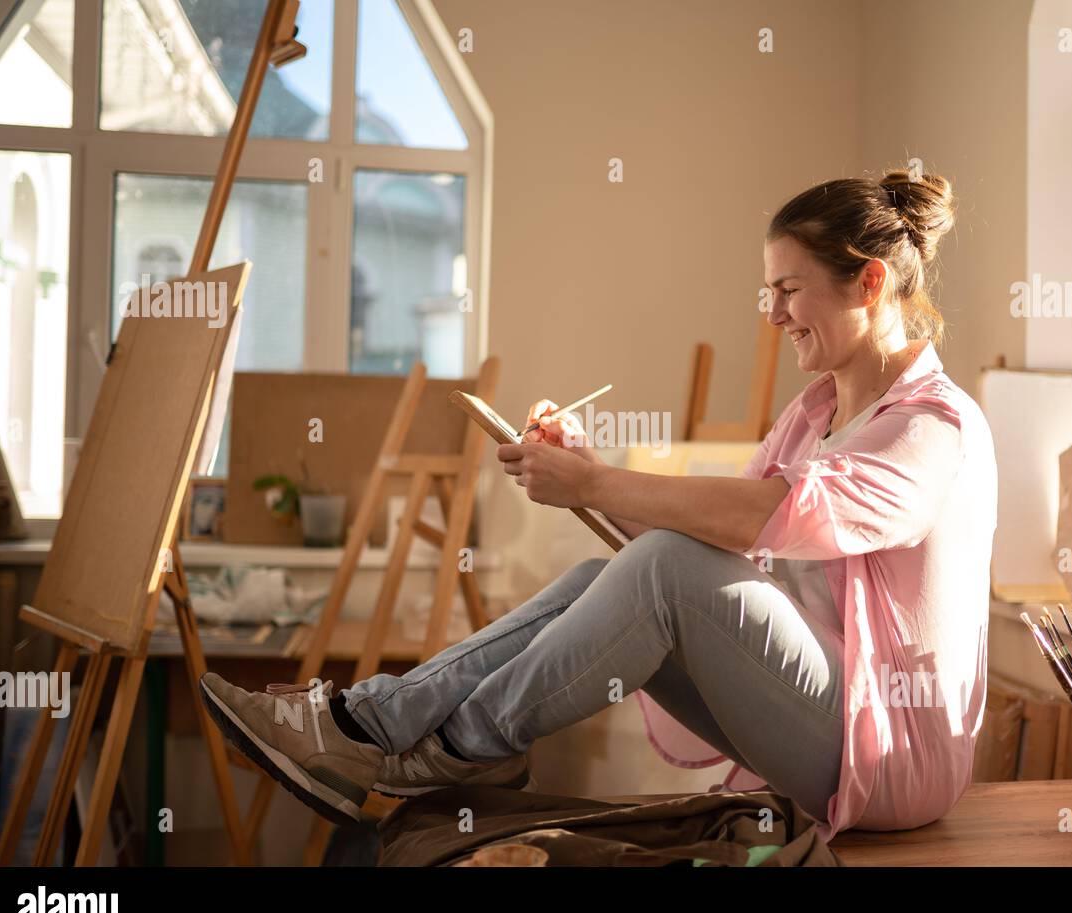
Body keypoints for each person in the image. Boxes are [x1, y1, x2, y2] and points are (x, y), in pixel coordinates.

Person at [200, 169, 997, 840]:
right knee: (599, 575)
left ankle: (444, 742)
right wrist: (584, 470)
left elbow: (766, 518)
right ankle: (373, 725)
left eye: (790, 290)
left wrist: (593, 484)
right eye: (768, 291)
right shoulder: (813, 414)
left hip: (891, 759)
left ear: (870, 280)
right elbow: (700, 544)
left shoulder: (933, 428)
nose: (774, 314)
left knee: (665, 566)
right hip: (821, 720)